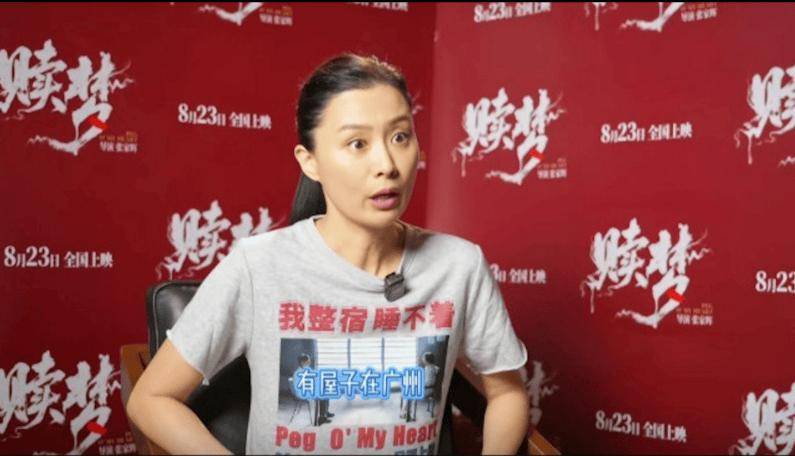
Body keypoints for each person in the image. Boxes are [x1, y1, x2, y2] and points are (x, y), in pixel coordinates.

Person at [126, 52, 530, 455]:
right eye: (357, 143)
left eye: (400, 137)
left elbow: (507, 393)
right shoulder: (258, 266)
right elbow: (151, 399)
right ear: (311, 162)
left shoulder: (459, 266)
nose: (387, 164)